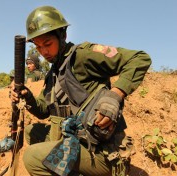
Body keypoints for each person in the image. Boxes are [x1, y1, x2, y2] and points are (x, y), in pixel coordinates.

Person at [10, 5, 151, 176]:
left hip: (101, 152)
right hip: (76, 140)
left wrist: (115, 95)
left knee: (32, 157)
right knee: (34, 131)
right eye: (38, 47)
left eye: (47, 44)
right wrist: (28, 97)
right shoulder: (53, 73)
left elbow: (139, 59)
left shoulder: (82, 56)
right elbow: (44, 111)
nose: (44, 52)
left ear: (62, 35)